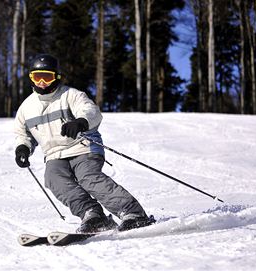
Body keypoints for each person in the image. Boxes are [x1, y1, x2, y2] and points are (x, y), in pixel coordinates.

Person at [13, 54, 153, 233]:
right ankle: (93, 215)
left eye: (46, 76)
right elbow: (22, 133)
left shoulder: (70, 95)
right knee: (53, 179)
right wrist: (22, 148)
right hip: (54, 154)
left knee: (87, 177)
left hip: (83, 146)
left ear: (56, 77)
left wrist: (80, 122)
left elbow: (91, 111)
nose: (41, 82)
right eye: (36, 77)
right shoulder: (26, 108)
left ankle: (133, 213)